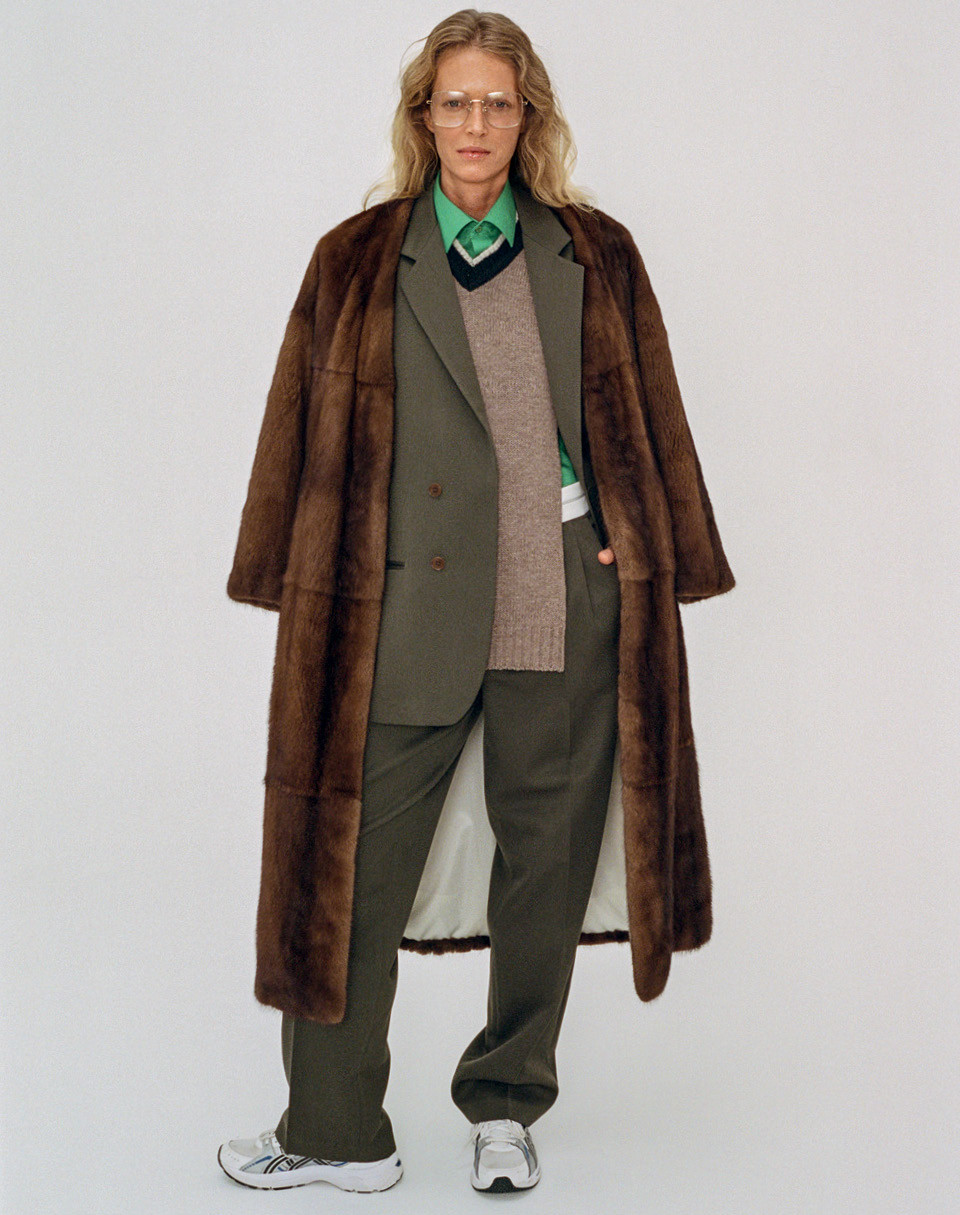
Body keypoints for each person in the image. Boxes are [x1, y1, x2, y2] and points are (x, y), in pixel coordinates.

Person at [218, 7, 735, 1197]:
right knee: (349, 872)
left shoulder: (595, 251)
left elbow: (650, 415)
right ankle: (337, 1130)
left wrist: (645, 540)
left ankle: (506, 1103)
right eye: (455, 100)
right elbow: (297, 421)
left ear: (528, 118)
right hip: (403, 605)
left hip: (563, 592)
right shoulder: (357, 258)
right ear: (423, 115)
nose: (476, 122)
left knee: (542, 867)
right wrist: (285, 570)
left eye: (499, 102)